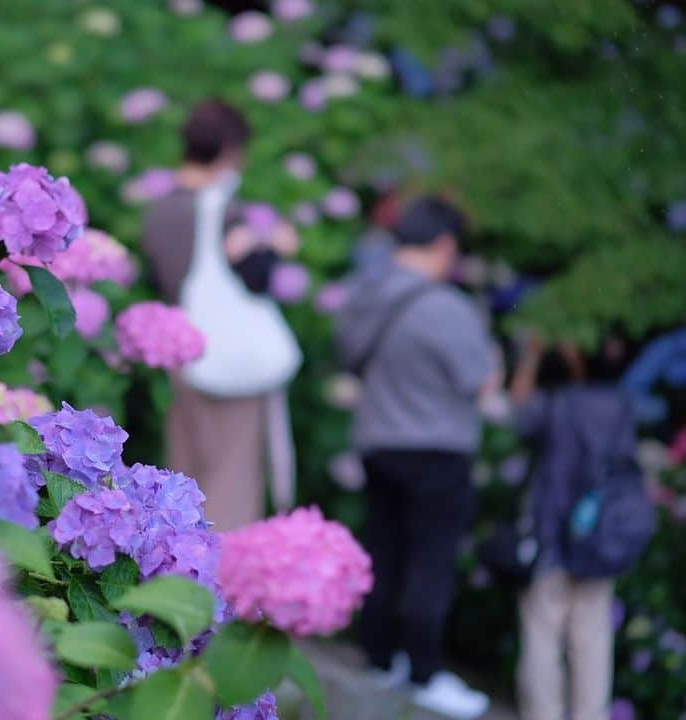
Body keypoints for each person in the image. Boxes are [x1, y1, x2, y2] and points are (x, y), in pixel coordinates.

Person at [336, 196, 495, 719]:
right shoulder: (445, 306)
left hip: (379, 441)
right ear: (445, 244)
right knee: (431, 561)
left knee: (384, 549)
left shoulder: (365, 294)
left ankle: (381, 656)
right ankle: (424, 672)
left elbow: (348, 356)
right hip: (437, 447)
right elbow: (480, 379)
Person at [141, 100, 298, 531]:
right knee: (231, 483)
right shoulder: (227, 211)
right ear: (230, 149)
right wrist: (277, 246)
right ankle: (220, 592)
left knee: (184, 478)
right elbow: (258, 280)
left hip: (181, 358)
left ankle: (173, 583)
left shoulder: (158, 212)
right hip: (230, 362)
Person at [511, 335, 636, 720]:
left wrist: (530, 360)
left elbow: (519, 415)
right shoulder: (623, 406)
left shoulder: (560, 403)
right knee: (593, 637)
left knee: (542, 632)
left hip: (552, 532)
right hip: (602, 537)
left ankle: (543, 715)